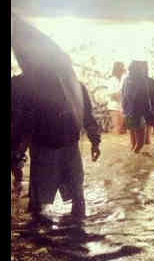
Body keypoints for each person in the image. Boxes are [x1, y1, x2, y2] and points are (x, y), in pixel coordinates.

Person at [11, 16, 101, 219]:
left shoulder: (32, 86)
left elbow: (22, 123)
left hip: (58, 149)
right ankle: (74, 239)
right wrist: (95, 142)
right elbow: (23, 121)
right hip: (56, 149)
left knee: (46, 202)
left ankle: (42, 242)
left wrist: (17, 153)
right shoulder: (68, 86)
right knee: (73, 197)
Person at [121, 61, 154, 153]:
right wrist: (152, 117)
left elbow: (123, 97)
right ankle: (133, 161)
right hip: (139, 115)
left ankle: (131, 161)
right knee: (141, 144)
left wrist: (125, 113)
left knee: (134, 143)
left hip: (128, 114)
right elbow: (146, 100)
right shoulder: (144, 81)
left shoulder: (126, 80)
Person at [107, 61, 127, 135]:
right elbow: (112, 95)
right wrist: (122, 93)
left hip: (121, 106)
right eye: (121, 69)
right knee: (118, 128)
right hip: (114, 106)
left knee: (121, 129)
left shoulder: (123, 79)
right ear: (117, 69)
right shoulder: (112, 80)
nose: (123, 71)